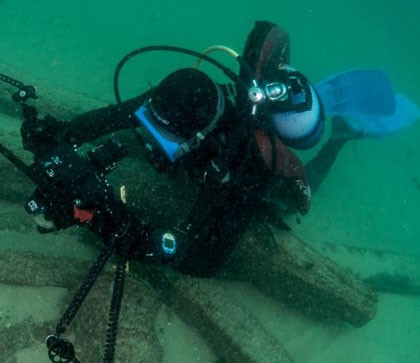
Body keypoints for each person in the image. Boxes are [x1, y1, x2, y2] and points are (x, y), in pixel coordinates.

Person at [40, 21, 360, 276]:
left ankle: (339, 139)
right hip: (232, 126)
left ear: (198, 138)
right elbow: (112, 117)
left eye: (164, 138)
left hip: (261, 172)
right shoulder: (179, 101)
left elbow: (208, 260)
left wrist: (118, 227)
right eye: (149, 123)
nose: (151, 139)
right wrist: (59, 134)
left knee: (287, 203)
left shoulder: (244, 171)